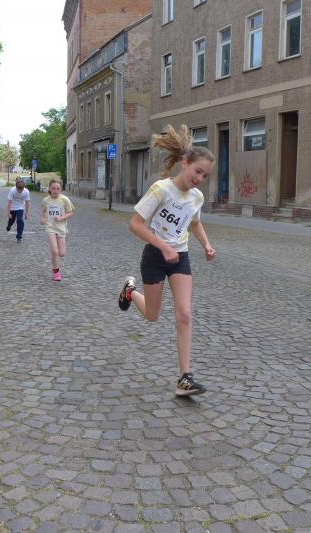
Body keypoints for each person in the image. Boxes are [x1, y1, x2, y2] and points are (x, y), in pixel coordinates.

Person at [117, 125, 216, 397]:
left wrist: (206, 245)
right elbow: (135, 224)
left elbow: (194, 223)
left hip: (180, 257)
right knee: (152, 315)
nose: (200, 178)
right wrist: (162, 245)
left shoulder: (197, 197)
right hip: (155, 256)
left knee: (184, 314)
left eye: (205, 175)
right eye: (197, 171)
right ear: (184, 163)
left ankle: (185, 378)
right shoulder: (161, 189)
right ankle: (130, 291)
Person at [40, 179, 74, 281]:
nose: (55, 190)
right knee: (55, 251)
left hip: (61, 227)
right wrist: (43, 219)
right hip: (50, 227)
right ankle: (56, 272)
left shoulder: (65, 199)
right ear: (49, 189)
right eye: (53, 188)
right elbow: (43, 212)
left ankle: (56, 260)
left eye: (58, 188)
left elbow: (70, 213)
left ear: (61, 189)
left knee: (62, 253)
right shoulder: (45, 200)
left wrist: (61, 218)